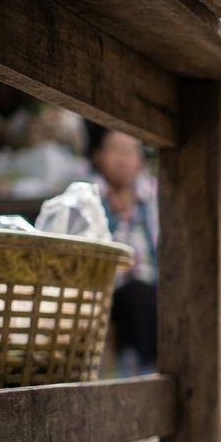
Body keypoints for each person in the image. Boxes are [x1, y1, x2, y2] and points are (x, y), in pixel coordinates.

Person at [88, 126, 158, 376]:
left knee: (146, 294)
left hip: (150, 287)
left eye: (130, 152)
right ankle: (140, 371)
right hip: (103, 288)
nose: (123, 159)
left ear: (139, 160)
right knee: (135, 295)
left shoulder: (150, 196)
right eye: (115, 151)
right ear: (98, 156)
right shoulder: (89, 197)